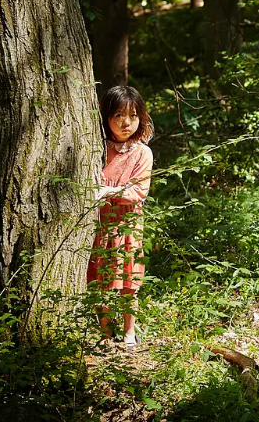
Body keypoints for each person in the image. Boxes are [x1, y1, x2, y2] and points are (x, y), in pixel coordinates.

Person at [87, 86, 154, 349]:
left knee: (129, 279)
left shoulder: (142, 152)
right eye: (118, 115)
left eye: (133, 116)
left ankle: (129, 332)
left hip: (128, 224)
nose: (126, 122)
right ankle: (105, 334)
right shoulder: (97, 148)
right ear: (106, 117)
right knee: (100, 278)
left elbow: (138, 191)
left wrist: (107, 191)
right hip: (100, 224)